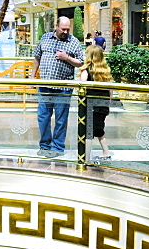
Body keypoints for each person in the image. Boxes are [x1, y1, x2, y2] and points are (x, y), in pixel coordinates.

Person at [32, 17, 84, 157]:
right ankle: (44, 146)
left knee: (61, 119)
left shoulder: (73, 41)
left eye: (68, 29)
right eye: (63, 29)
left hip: (63, 88)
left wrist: (67, 58)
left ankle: (58, 147)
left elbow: (81, 62)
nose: (66, 32)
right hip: (45, 86)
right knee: (43, 117)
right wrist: (32, 77)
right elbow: (37, 57)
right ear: (56, 26)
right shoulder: (45, 37)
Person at [80, 44, 112, 160]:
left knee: (88, 132)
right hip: (103, 105)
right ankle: (106, 152)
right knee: (99, 129)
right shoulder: (106, 71)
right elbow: (110, 91)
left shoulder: (86, 72)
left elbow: (81, 89)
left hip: (90, 106)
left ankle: (86, 157)